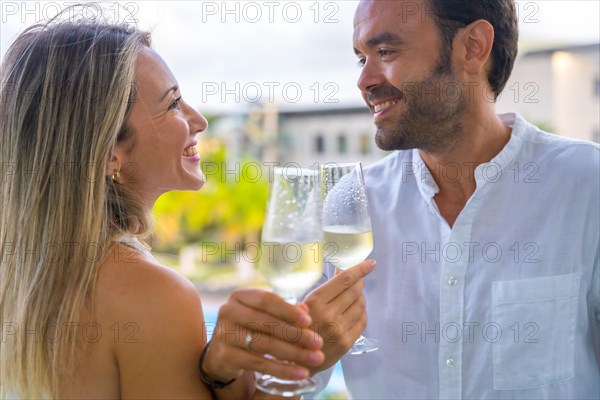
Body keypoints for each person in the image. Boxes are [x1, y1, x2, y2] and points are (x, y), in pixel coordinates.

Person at [0, 7, 375, 399]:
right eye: (173, 103)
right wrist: (306, 359)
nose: (199, 120)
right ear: (109, 151)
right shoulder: (152, 294)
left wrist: (225, 377)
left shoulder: (24, 271)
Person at [304, 0, 600, 398]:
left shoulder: (585, 185)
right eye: (361, 59)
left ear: (473, 46)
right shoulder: (350, 204)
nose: (365, 80)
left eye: (387, 51)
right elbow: (286, 375)